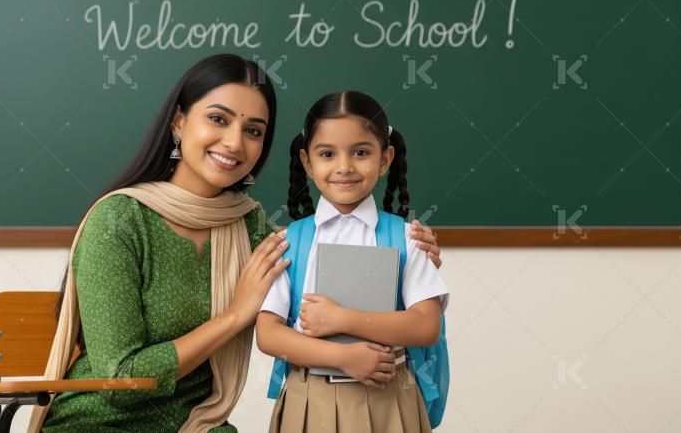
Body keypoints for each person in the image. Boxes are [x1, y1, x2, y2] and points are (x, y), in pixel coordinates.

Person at [29, 55, 442, 432]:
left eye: (253, 130)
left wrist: (409, 255)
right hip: (101, 423)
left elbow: (324, 263)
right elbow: (121, 379)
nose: (234, 143)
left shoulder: (252, 228)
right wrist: (235, 316)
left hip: (199, 423)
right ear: (179, 121)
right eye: (218, 119)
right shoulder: (119, 221)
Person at [257, 91, 449, 433]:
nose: (344, 166)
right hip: (308, 400)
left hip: (390, 398)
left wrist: (340, 318)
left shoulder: (409, 237)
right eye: (327, 154)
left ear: (385, 159)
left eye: (361, 152)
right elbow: (268, 334)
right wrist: (343, 357)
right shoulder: (289, 241)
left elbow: (425, 326)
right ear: (307, 163)